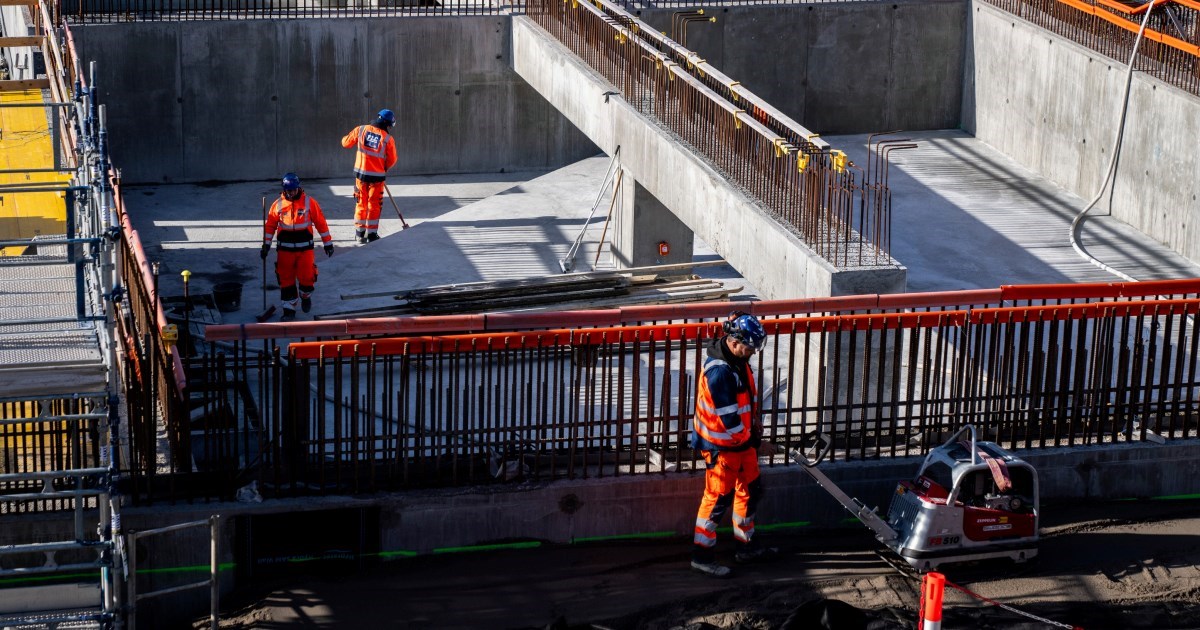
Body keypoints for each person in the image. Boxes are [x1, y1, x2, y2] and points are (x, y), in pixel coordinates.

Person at [690, 311, 780, 577]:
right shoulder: (719, 373)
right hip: (723, 447)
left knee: (750, 491)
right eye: (749, 347)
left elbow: (744, 403)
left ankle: (746, 546)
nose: (752, 351)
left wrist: (755, 425)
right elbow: (729, 421)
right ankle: (701, 555)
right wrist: (757, 442)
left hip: (741, 444)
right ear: (734, 341)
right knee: (717, 499)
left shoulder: (738, 362)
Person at [261, 173, 334, 322]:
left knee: (307, 277)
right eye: (288, 190)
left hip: (304, 250)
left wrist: (328, 243)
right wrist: (266, 245)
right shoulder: (278, 205)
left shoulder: (309, 202)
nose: (291, 193)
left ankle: (305, 296)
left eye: (294, 190)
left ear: (298, 187)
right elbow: (270, 226)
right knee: (285, 280)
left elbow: (321, 222)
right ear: (284, 190)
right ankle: (289, 310)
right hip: (285, 251)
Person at [341, 108, 398, 244]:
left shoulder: (361, 130)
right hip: (377, 178)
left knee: (361, 204)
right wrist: (383, 168)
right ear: (387, 124)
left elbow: (345, 143)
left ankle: (360, 235)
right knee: (374, 205)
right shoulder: (388, 139)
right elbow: (392, 159)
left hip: (361, 176)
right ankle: (372, 234)